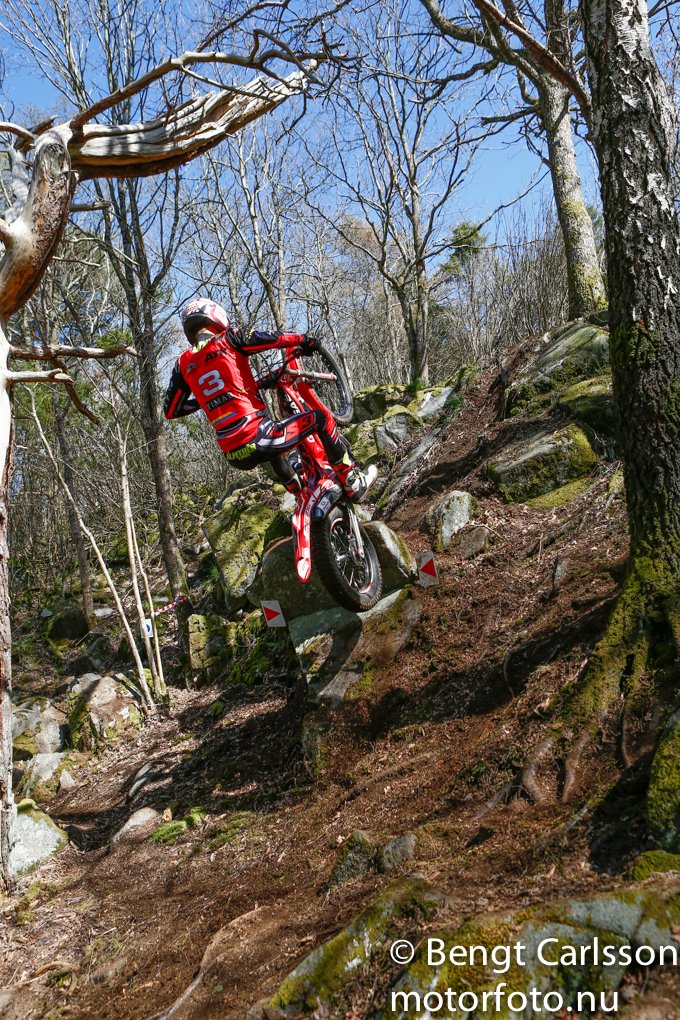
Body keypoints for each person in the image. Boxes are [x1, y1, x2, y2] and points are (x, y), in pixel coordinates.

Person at [163, 297, 377, 500]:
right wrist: (305, 340)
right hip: (261, 438)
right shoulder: (229, 339)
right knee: (321, 418)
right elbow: (273, 338)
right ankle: (353, 482)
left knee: (272, 452)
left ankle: (300, 492)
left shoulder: (182, 364)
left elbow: (171, 411)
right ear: (214, 315)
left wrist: (205, 400)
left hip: (233, 455)